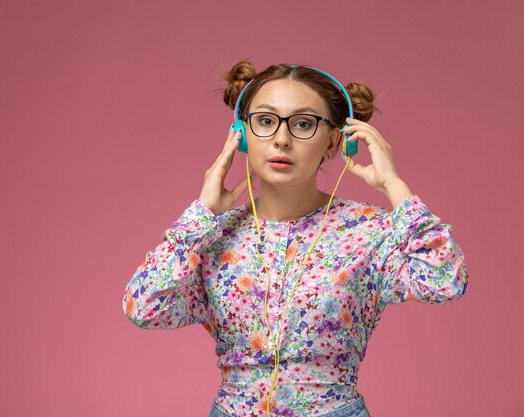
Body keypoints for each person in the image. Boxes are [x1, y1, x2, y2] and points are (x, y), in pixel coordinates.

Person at [122, 61, 468, 417]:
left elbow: (445, 282)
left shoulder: (370, 231)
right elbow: (144, 308)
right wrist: (201, 214)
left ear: (334, 142)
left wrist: (395, 187)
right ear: (240, 135)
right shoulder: (211, 237)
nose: (282, 139)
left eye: (303, 124)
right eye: (266, 121)